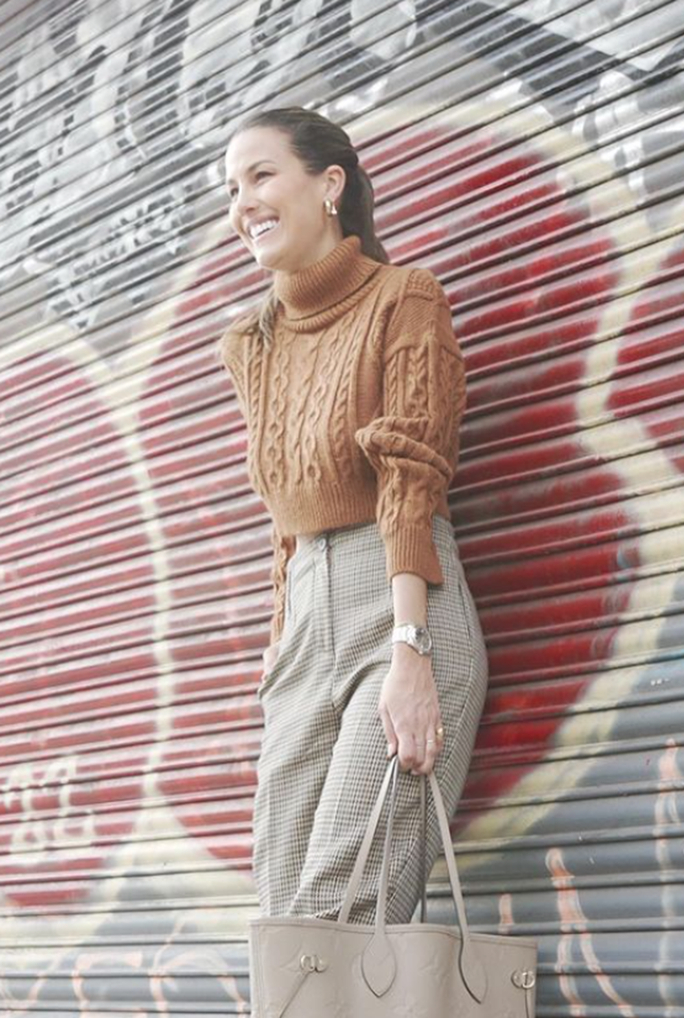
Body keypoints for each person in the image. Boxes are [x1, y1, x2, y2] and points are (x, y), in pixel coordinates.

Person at [217, 106, 489, 926]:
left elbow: (410, 477)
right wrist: (281, 643)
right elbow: (285, 516)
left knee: (342, 911)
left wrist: (412, 650)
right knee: (281, 917)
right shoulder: (250, 343)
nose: (243, 203)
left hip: (398, 601)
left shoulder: (404, 299)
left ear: (329, 183)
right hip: (305, 624)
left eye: (261, 176)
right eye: (231, 189)